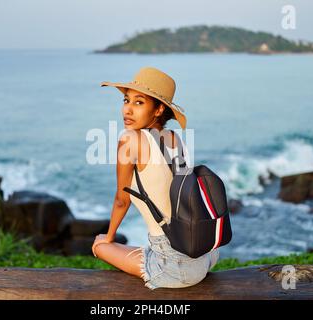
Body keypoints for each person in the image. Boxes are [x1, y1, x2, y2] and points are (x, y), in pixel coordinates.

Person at [92, 66, 220, 290]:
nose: (128, 110)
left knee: (99, 246)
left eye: (139, 102)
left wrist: (109, 237)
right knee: (133, 246)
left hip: (175, 265)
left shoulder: (130, 140)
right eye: (126, 100)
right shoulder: (174, 138)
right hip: (204, 253)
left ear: (159, 109)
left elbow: (122, 199)